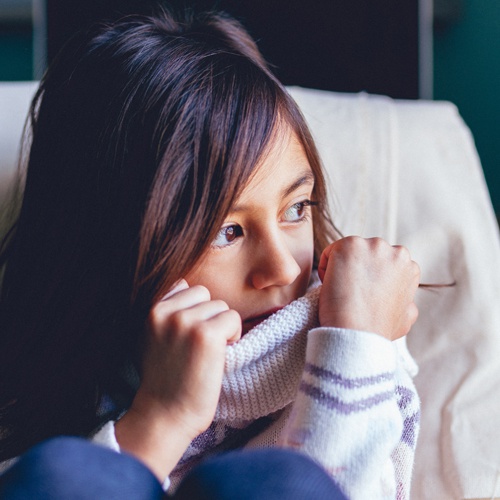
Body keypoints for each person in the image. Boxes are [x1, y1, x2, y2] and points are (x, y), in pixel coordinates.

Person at [0, 7, 420, 499]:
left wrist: (356, 344)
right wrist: (163, 417)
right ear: (113, 250)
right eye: (226, 232)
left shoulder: (355, 345)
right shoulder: (39, 401)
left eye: (296, 208)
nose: (283, 267)